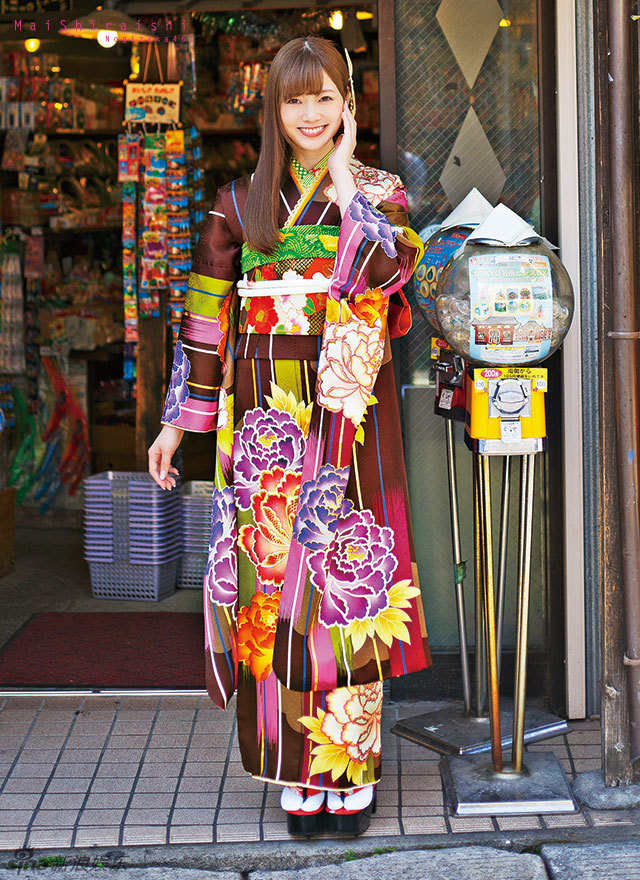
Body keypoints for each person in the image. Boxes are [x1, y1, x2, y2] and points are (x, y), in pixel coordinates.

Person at [148, 35, 432, 837]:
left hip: (350, 416)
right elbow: (208, 318)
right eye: (294, 100)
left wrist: (345, 183)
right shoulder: (239, 202)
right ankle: (290, 766)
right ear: (273, 110)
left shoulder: (380, 190)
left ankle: (349, 764)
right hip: (265, 412)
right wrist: (179, 422)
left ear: (349, 103)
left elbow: (391, 271)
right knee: (270, 583)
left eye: (326, 98)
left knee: (350, 582)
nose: (311, 114)